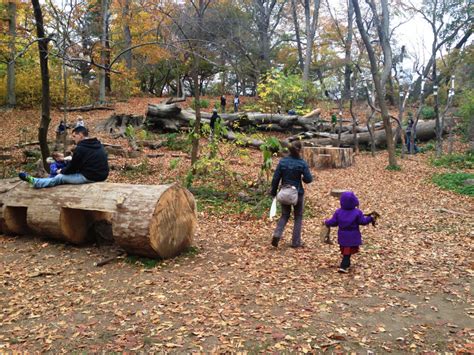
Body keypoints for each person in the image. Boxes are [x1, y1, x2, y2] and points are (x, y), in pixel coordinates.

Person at [19, 126, 109, 189]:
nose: (74, 139)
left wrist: (61, 171)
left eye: (74, 136)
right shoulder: (96, 144)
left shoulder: (81, 148)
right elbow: (80, 160)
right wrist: (65, 160)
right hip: (102, 175)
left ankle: (36, 182)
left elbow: (73, 167)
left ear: (81, 135)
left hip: (90, 177)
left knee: (60, 177)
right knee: (66, 168)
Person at [270, 140, 313, 248]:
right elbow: (308, 179)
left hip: (284, 192)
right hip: (298, 193)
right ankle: (295, 242)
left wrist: (273, 192)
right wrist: (303, 178)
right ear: (300, 150)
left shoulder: (283, 162)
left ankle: (277, 234)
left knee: (284, 215)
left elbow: (276, 178)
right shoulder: (302, 163)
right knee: (298, 217)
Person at [324, 191, 376, 273]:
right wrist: (370, 218)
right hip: (353, 235)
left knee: (345, 250)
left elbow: (333, 222)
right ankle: (344, 266)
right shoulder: (357, 212)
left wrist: (326, 222)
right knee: (347, 251)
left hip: (342, 235)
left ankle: (346, 264)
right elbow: (363, 221)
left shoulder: (338, 212)